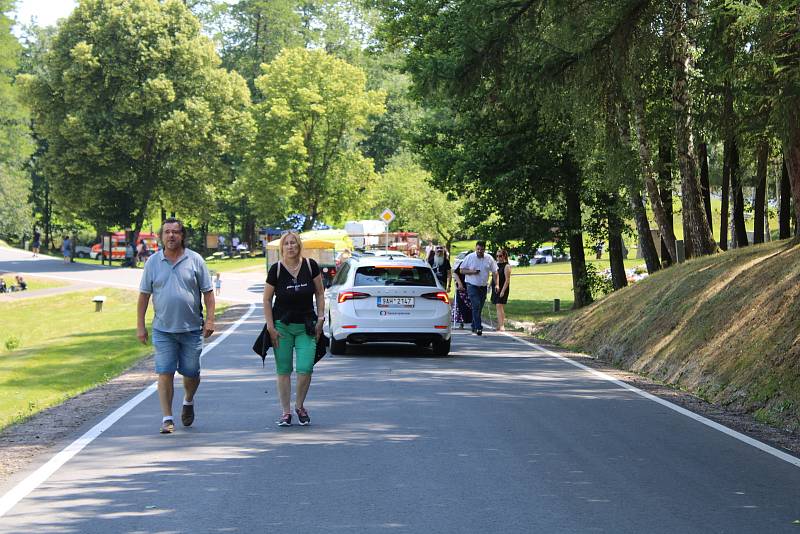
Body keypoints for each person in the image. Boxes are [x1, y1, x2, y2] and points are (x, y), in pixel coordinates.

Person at [137, 218, 215, 434]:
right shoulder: (152, 262)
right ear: (161, 237)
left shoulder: (195, 260)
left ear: (182, 236)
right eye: (167, 232)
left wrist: (210, 319)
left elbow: (208, 293)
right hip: (163, 329)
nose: (171, 236)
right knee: (165, 372)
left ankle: (188, 400)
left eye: (175, 232)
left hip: (191, 329)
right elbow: (144, 296)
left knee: (191, 372)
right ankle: (167, 418)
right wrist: (140, 326)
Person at [263, 231, 325, 427]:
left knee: (305, 368)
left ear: (299, 246)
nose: (290, 247)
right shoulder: (277, 270)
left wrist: (321, 318)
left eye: (294, 243)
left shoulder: (310, 266)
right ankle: (285, 412)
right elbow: (266, 299)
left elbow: (320, 293)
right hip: (282, 326)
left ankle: (299, 406)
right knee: (283, 370)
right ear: (282, 247)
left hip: (307, 326)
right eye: (287, 244)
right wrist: (270, 327)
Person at [457, 241, 499, 336]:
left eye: (482, 249)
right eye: (478, 249)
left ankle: (473, 325)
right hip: (471, 285)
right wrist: (472, 271)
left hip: (483, 286)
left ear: (484, 249)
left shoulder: (489, 258)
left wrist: (497, 284)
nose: (480, 251)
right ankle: (478, 327)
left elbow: (495, 272)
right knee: (476, 305)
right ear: (476, 248)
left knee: (479, 307)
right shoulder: (470, 257)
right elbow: (461, 270)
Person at [491, 249, 512, 331]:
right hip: (495, 287)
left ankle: (502, 325)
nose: (498, 258)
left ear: (504, 256)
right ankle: (499, 325)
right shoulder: (496, 265)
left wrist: (503, 291)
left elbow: (507, 280)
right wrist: (489, 285)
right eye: (497, 256)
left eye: (500, 256)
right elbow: (494, 276)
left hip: (503, 287)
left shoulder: (507, 266)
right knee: (498, 306)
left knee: (499, 305)